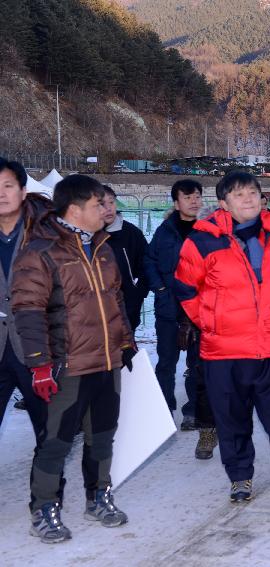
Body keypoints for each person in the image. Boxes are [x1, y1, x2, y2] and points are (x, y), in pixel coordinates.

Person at [13, 174, 135, 542]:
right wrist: (39, 363)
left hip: (106, 363)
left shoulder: (103, 247)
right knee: (56, 442)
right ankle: (44, 508)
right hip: (68, 366)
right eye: (100, 204)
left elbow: (115, 301)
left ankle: (98, 495)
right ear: (76, 208)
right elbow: (28, 311)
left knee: (103, 436)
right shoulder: (41, 251)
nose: (106, 209)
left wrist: (125, 343)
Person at [174, 171, 270, 502]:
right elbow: (184, 287)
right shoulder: (203, 240)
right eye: (238, 195)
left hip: (267, 347)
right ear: (223, 203)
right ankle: (239, 476)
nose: (248, 199)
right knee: (232, 418)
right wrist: (209, 321)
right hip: (223, 350)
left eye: (252, 193)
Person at [144, 179, 203, 430]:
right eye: (188, 197)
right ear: (176, 202)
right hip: (169, 309)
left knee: (198, 364)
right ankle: (164, 409)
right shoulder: (165, 230)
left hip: (200, 311)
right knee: (166, 362)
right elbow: (149, 261)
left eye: (197, 196)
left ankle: (193, 410)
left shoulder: (207, 230)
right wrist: (159, 289)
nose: (194, 201)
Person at [0, 158, 48, 439]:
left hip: (37, 350)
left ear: (22, 190)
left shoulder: (47, 232)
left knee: (48, 433)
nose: (1, 194)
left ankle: (46, 484)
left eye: (8, 186)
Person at [102, 185, 149, 333]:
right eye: (102, 204)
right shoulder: (87, 237)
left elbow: (146, 266)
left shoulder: (132, 233)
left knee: (126, 354)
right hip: (96, 315)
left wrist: (137, 295)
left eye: (111, 202)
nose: (108, 208)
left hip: (127, 311)